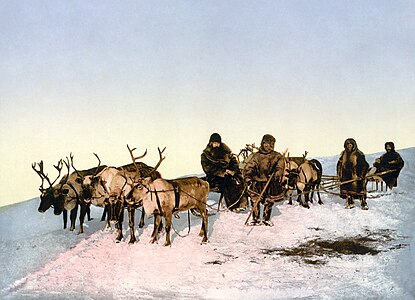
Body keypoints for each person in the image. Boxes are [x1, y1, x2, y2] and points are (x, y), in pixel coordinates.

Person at [242, 134, 285, 226]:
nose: (267, 146)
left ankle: (266, 219)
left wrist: (275, 175)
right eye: (265, 143)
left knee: (268, 202)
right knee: (254, 200)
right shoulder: (257, 156)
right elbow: (250, 167)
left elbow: (280, 168)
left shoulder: (277, 156)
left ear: (272, 145)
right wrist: (248, 176)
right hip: (257, 182)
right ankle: (255, 219)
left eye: (269, 144)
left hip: (270, 182)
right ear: (262, 143)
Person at [201, 133, 248, 211]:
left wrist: (232, 170)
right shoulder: (205, 155)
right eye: (214, 143)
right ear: (211, 143)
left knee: (240, 181)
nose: (216, 145)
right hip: (214, 176)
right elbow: (207, 168)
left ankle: (242, 204)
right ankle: (233, 206)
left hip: (229, 173)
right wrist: (222, 172)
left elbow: (234, 161)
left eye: (218, 143)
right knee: (228, 183)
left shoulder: (226, 151)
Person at [337, 138, 369, 210]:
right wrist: (339, 173)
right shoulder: (343, 154)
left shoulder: (358, 154)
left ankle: (363, 203)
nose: (349, 146)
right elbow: (339, 164)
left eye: (350, 145)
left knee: (359, 190)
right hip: (346, 175)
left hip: (356, 175)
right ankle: (350, 201)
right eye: (347, 145)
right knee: (347, 190)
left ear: (353, 145)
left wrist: (361, 175)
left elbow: (365, 165)